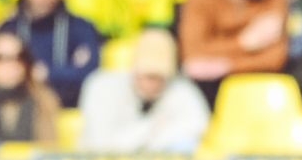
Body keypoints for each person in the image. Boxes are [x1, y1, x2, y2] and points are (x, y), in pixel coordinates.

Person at [178, 0, 289, 103]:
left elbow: (276, 56)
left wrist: (226, 66)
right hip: (211, 90)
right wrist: (243, 43)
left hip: (260, 83)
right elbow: (194, 54)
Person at [79, 28, 210, 151]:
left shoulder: (182, 90)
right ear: (134, 69)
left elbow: (197, 124)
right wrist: (151, 127)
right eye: (148, 76)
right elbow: (102, 145)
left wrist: (150, 141)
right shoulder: (102, 87)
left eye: (159, 77)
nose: (152, 84)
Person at [2, 0, 101, 108]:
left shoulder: (81, 27)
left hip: (67, 106)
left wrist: (46, 72)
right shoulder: (10, 28)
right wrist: (67, 71)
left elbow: (89, 73)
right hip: (20, 108)